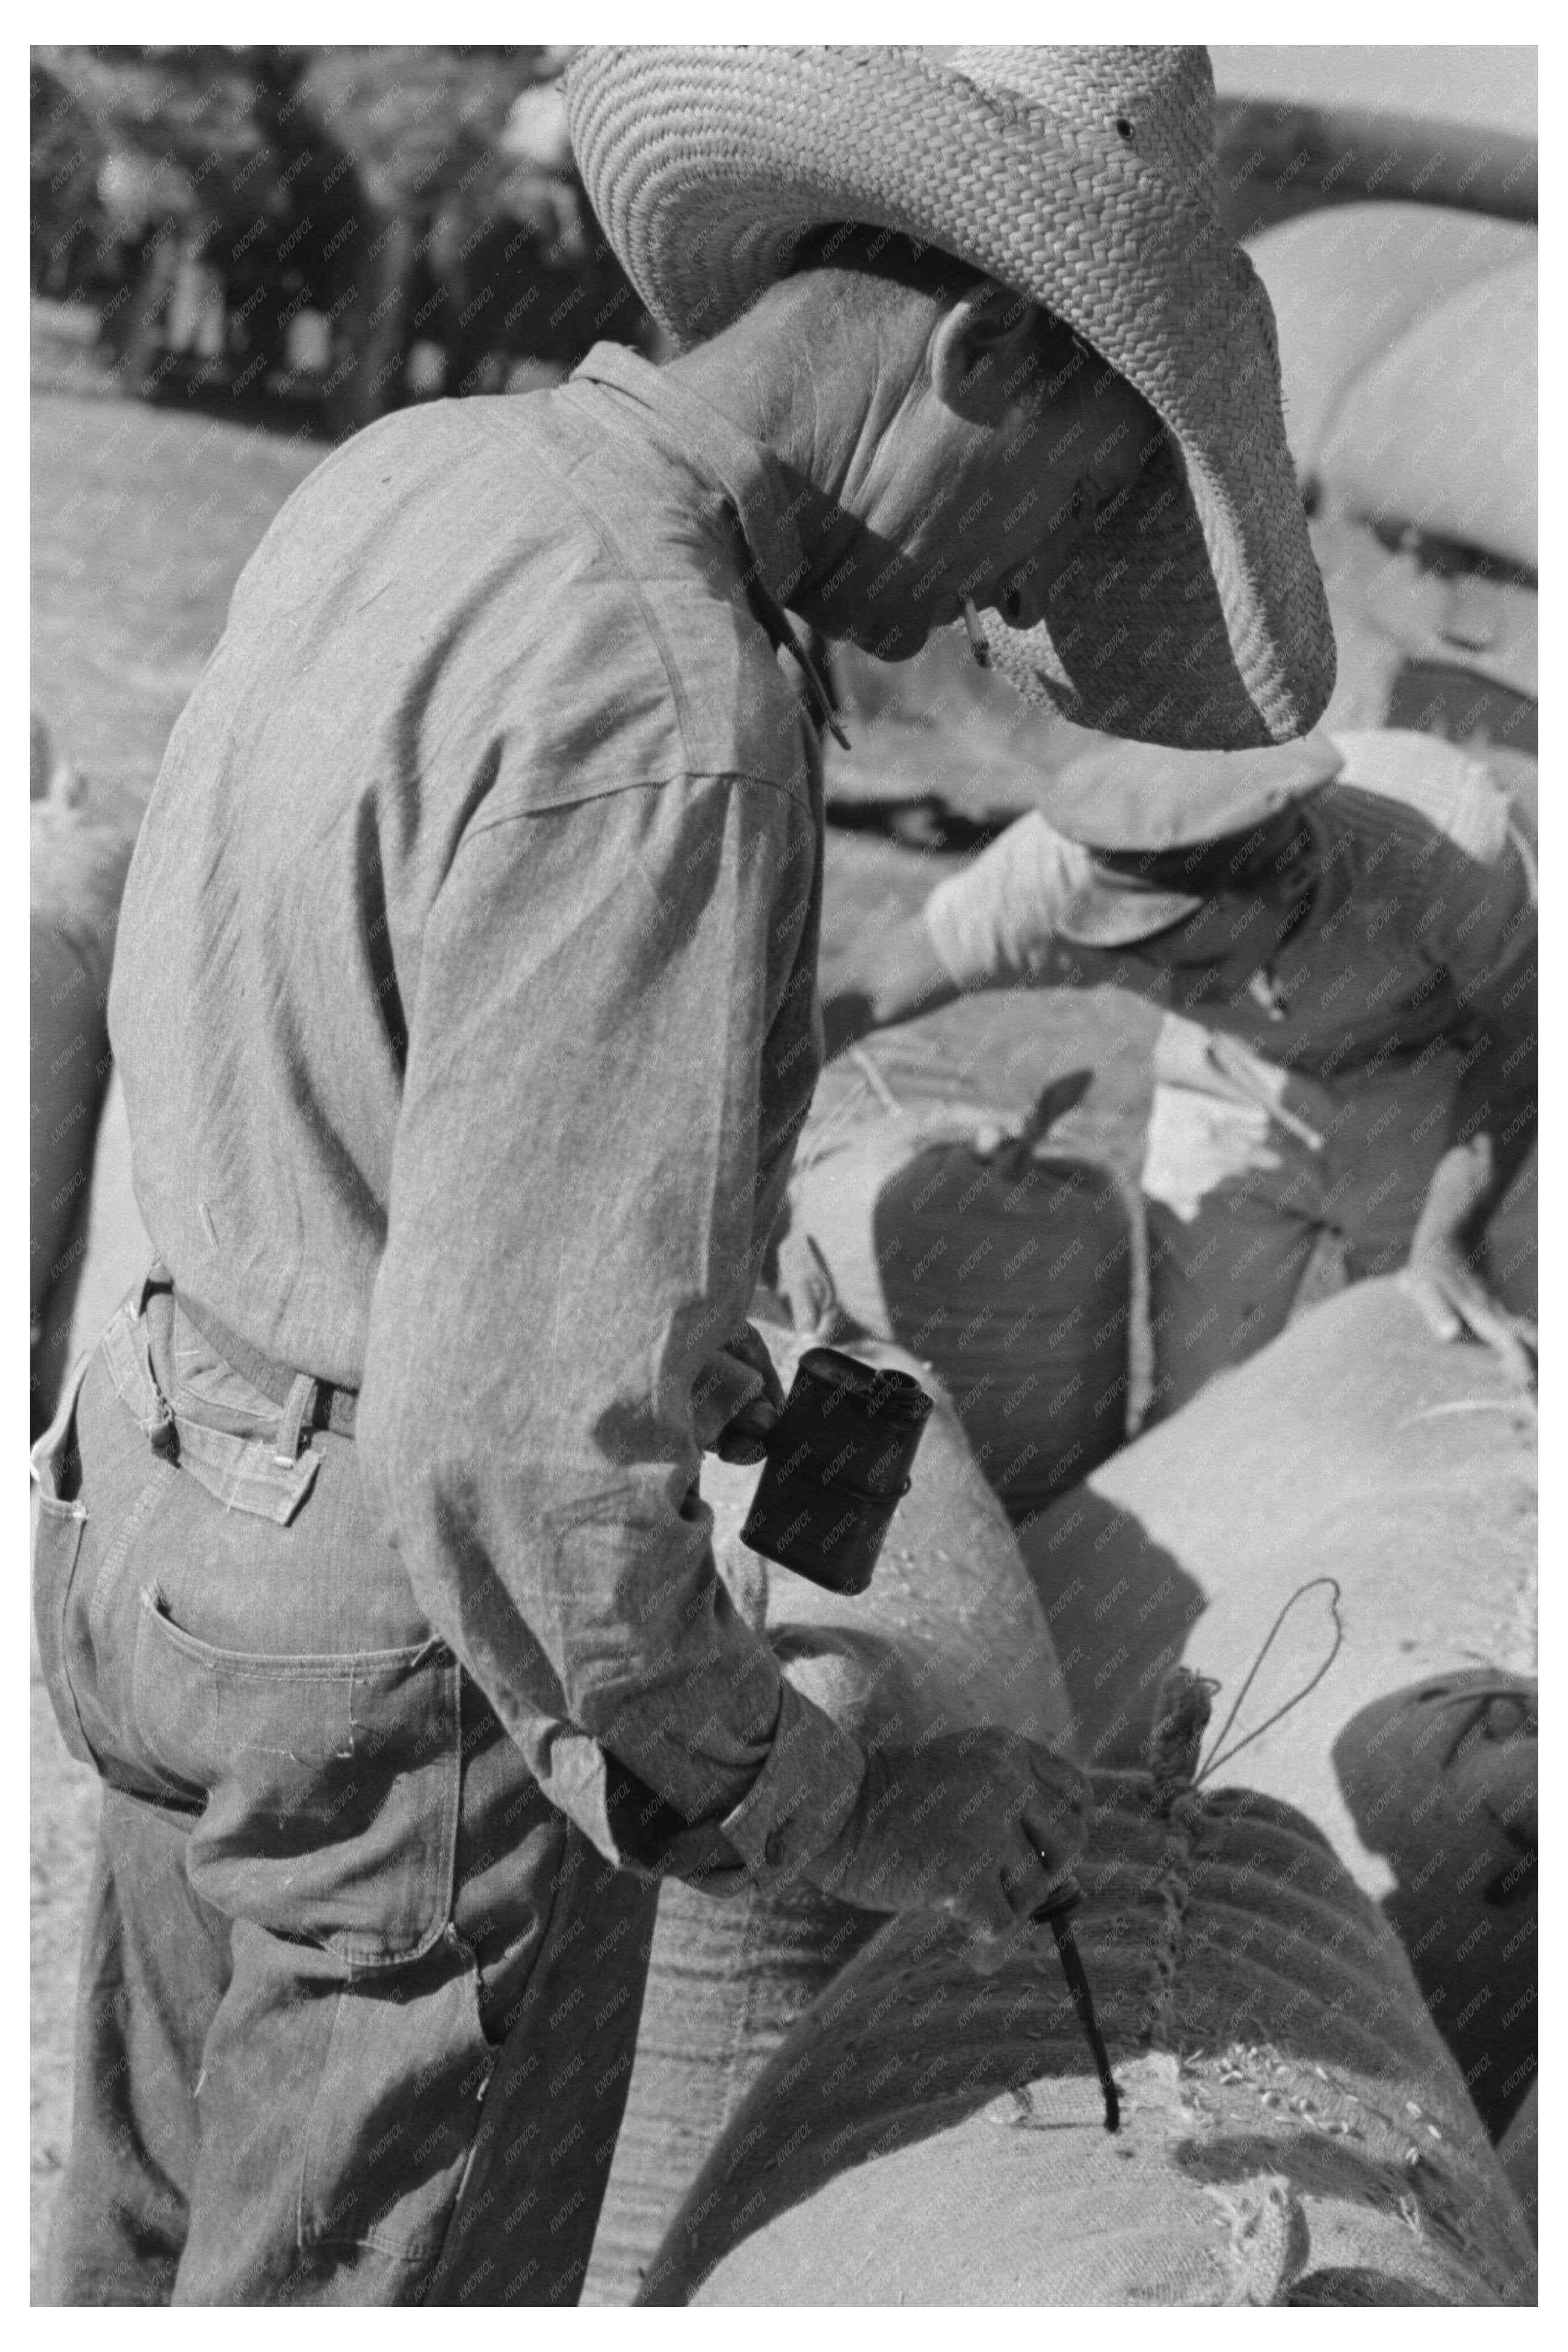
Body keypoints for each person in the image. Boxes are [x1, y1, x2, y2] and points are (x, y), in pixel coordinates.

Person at [32, 44, 1332, 2306]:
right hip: (385, 1683)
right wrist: (840, 1803)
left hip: (153, 1518)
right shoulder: (674, 711)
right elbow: (521, 1463)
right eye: (1063, 513)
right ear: (980, 354)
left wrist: (698, 1358)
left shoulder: (415, 480)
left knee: (136, 2235)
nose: (1015, 611)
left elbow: (312, 1040)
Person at [823, 725, 1536, 1421]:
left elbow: (1526, 1035)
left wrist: (1449, 1231)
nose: (1156, 983)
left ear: (1290, 877)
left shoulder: (1446, 849)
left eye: (1192, 965)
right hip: (1226, 1081)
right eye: (1136, 958)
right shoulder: (1062, 873)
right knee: (1198, 1406)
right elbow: (862, 993)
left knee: (1422, 1379)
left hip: (1431, 1093)